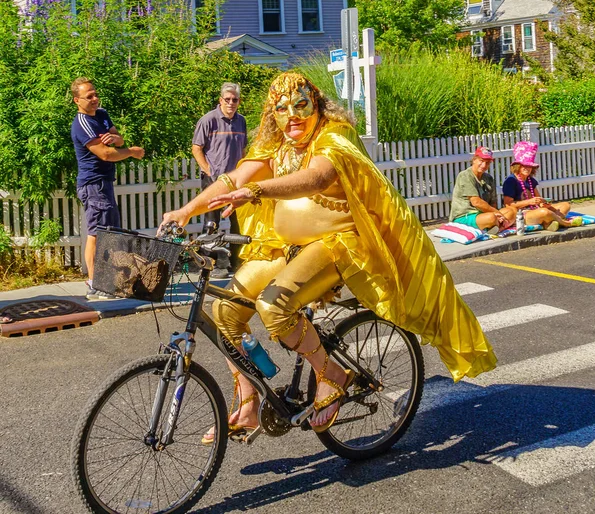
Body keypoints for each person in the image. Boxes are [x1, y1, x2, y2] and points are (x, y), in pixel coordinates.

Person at [160, 72, 497, 439]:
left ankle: (332, 375)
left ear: (317, 104)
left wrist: (257, 191)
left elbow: (319, 178)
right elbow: (232, 179)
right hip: (287, 248)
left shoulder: (335, 135)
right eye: (282, 109)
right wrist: (186, 211)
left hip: (336, 245)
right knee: (225, 311)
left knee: (274, 307)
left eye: (301, 105)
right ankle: (248, 398)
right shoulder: (279, 146)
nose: (292, 115)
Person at [70, 77, 145, 299]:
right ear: (77, 100)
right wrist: (131, 152)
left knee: (109, 233)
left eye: (95, 94)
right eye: (89, 96)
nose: (94, 99)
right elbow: (105, 154)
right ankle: (95, 283)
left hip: (104, 183)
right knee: (97, 233)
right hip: (93, 184)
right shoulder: (82, 123)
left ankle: (106, 282)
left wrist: (116, 138)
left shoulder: (101, 114)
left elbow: (117, 142)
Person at [192, 82, 247, 278]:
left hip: (235, 180)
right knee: (211, 223)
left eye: (235, 100)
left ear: (239, 102)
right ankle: (210, 264)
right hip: (214, 180)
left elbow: (244, 149)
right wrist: (208, 171)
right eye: (227, 99)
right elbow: (196, 148)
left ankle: (236, 263)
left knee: (237, 222)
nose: (231, 103)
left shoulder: (241, 121)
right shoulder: (209, 120)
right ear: (220, 100)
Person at [502, 141, 582, 231]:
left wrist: (543, 203)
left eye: (529, 166)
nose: (527, 168)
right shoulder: (511, 181)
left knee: (565, 205)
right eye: (524, 165)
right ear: (517, 166)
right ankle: (565, 223)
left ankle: (549, 223)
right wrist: (529, 202)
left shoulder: (530, 180)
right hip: (522, 214)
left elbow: (538, 199)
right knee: (544, 212)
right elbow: (508, 204)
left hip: (535, 210)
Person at [449, 146, 516, 234]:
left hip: (483, 214)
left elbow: (493, 203)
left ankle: (496, 228)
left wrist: (498, 215)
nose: (484, 165)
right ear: (474, 160)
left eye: (487, 163)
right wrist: (497, 214)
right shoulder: (465, 175)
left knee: (512, 211)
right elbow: (476, 202)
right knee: (491, 217)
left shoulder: (488, 178)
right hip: (464, 216)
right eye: (481, 161)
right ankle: (495, 227)